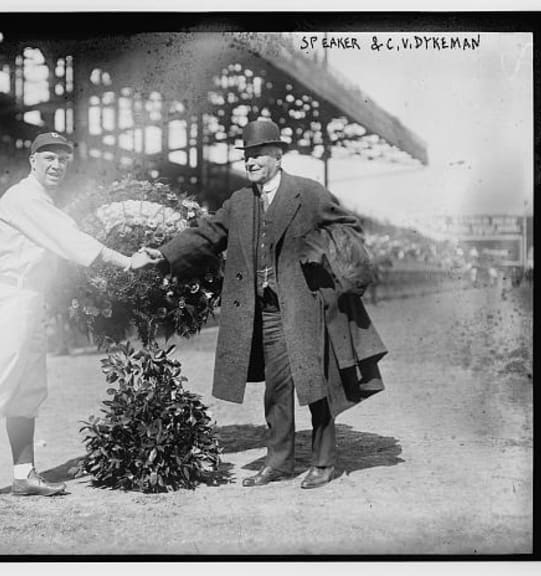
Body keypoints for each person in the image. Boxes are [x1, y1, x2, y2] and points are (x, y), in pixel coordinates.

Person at [142, 118, 387, 490]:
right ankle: (280, 461)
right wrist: (163, 254)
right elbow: (207, 234)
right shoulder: (239, 203)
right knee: (276, 388)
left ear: (277, 156)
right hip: (267, 312)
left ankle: (323, 462)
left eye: (257, 154)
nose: (250, 162)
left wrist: (321, 251)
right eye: (246, 157)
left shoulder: (310, 193)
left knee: (316, 383)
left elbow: (348, 228)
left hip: (306, 308)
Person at [0, 132, 153, 509]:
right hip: (4, 299)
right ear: (33, 161)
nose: (57, 166)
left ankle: (24, 475)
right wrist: (125, 261)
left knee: (28, 390)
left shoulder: (44, 201)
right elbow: (69, 239)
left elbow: (65, 241)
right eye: (49, 158)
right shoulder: (22, 197)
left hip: (27, 300)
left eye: (63, 160)